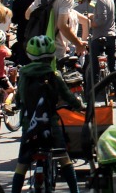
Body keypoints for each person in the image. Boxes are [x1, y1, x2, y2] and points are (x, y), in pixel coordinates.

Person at [11, 35, 83, 193]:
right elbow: (68, 97)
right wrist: (79, 106)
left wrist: (16, 105)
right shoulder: (54, 75)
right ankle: (74, 190)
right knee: (64, 158)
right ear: (52, 56)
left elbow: (19, 97)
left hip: (29, 124)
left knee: (22, 164)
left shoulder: (24, 74)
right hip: (50, 125)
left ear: (30, 55)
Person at [25, 0, 87, 65]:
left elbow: (27, 15)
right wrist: (78, 44)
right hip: (57, 50)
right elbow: (62, 25)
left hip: (40, 49)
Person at [86, 0, 116, 101]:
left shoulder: (101, 0)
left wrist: (90, 22)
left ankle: (93, 93)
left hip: (100, 36)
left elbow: (101, 21)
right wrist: (94, 16)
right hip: (111, 35)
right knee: (113, 66)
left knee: (94, 67)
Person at [10, 0, 36, 65]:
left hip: (22, 32)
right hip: (37, 31)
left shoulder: (17, 1)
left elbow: (14, 20)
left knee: (23, 55)